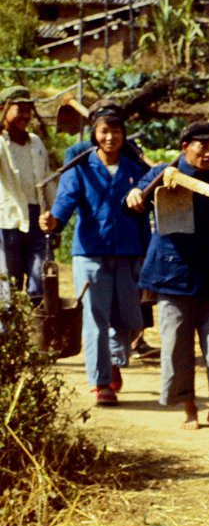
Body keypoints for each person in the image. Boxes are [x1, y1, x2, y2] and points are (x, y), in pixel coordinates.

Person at [125, 121, 209, 430]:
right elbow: (134, 202)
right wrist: (135, 195)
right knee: (177, 346)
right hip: (173, 275)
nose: (207, 152)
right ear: (185, 147)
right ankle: (189, 407)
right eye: (201, 146)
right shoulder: (162, 175)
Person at [48, 104, 148, 405]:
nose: (110, 137)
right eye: (104, 131)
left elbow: (152, 206)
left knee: (130, 320)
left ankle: (114, 360)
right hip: (91, 253)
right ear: (94, 134)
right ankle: (101, 381)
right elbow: (66, 200)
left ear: (123, 134)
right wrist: (54, 220)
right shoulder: (81, 166)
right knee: (95, 318)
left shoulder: (136, 170)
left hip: (129, 252)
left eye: (116, 131)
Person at [0, 86, 51, 304]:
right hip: (7, 220)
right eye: (19, 109)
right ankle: (9, 335)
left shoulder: (35, 142)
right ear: (3, 109)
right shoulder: (1, 142)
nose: (26, 116)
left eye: (28, 110)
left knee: (39, 283)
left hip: (37, 218)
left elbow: (47, 180)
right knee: (7, 287)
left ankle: (38, 334)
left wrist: (53, 215)